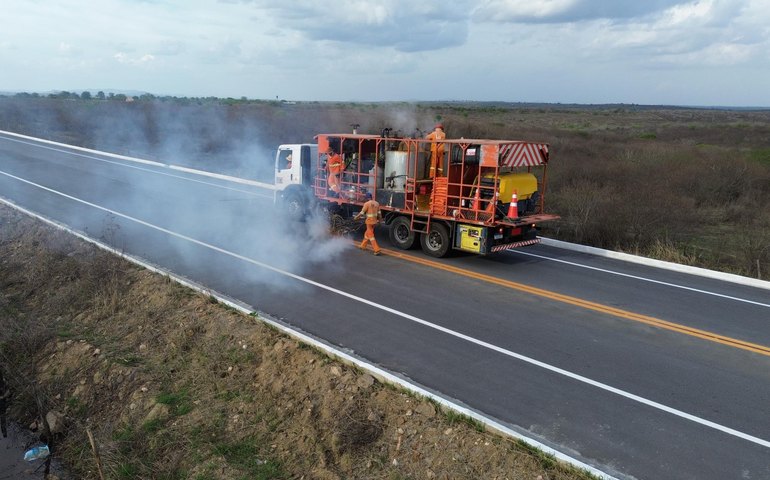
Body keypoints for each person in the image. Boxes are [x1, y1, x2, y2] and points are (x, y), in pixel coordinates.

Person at [0, 369, 10, 438]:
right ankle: (4, 434)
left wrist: (3, 396)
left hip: (2, 401)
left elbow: (8, 391)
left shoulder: (3, 381)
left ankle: (5, 434)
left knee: (3, 418)